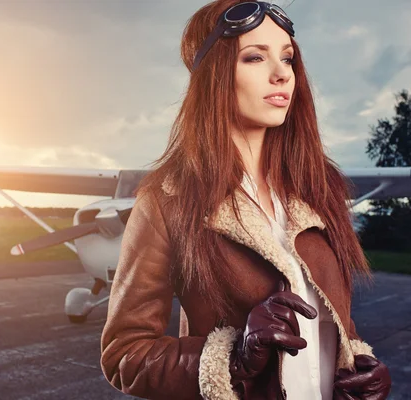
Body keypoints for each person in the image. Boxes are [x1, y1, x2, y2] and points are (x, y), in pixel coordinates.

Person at [100, 1, 392, 399]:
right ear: (215, 75)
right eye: (255, 57)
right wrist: (232, 358)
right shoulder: (166, 201)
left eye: (287, 59)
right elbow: (125, 354)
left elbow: (337, 320)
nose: (281, 75)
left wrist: (362, 365)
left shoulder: (320, 190)